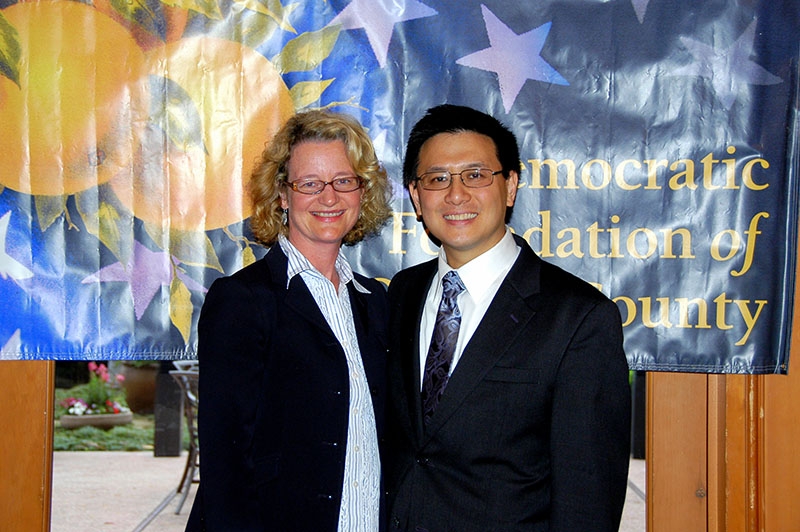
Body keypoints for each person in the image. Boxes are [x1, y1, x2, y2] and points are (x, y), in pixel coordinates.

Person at [385, 104, 631, 531]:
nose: (456, 194)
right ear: (416, 197)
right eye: (437, 179)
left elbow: (587, 499)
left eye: (476, 175)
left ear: (511, 186)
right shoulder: (402, 294)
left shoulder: (579, 318)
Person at [186, 110, 392, 531]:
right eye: (310, 184)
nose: (329, 198)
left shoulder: (377, 302)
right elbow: (226, 464)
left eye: (344, 180)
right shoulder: (242, 300)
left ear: (362, 191)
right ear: (282, 194)